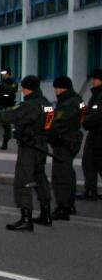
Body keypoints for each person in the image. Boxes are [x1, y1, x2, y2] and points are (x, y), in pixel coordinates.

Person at [0, 75, 53, 230]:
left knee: (23, 181)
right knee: (40, 178)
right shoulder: (47, 104)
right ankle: (46, 213)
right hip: (41, 146)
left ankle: (26, 218)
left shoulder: (30, 105)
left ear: (26, 88)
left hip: (29, 147)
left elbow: (11, 116)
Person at [48, 76, 84, 220]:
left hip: (64, 141)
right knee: (68, 173)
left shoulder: (67, 104)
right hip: (71, 140)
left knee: (61, 176)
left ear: (61, 88)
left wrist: (47, 131)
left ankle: (63, 208)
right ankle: (69, 204)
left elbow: (57, 123)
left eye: (56, 88)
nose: (55, 91)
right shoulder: (77, 100)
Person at [78, 69, 102, 201]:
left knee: (99, 163)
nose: (92, 81)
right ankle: (90, 191)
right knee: (88, 163)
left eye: (95, 79)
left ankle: (91, 191)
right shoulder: (95, 95)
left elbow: (97, 116)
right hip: (93, 134)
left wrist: (85, 121)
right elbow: (89, 112)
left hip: (99, 134)